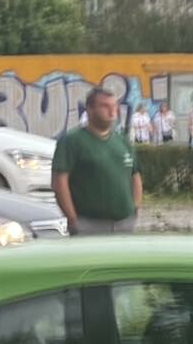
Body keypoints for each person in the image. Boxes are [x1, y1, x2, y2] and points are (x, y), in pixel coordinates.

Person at [52, 86, 142, 236]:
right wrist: (72, 218)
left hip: (125, 223)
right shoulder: (72, 141)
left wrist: (136, 208)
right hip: (88, 225)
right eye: (105, 106)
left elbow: (135, 175)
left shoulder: (122, 141)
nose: (112, 111)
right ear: (90, 109)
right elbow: (59, 182)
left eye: (114, 106)